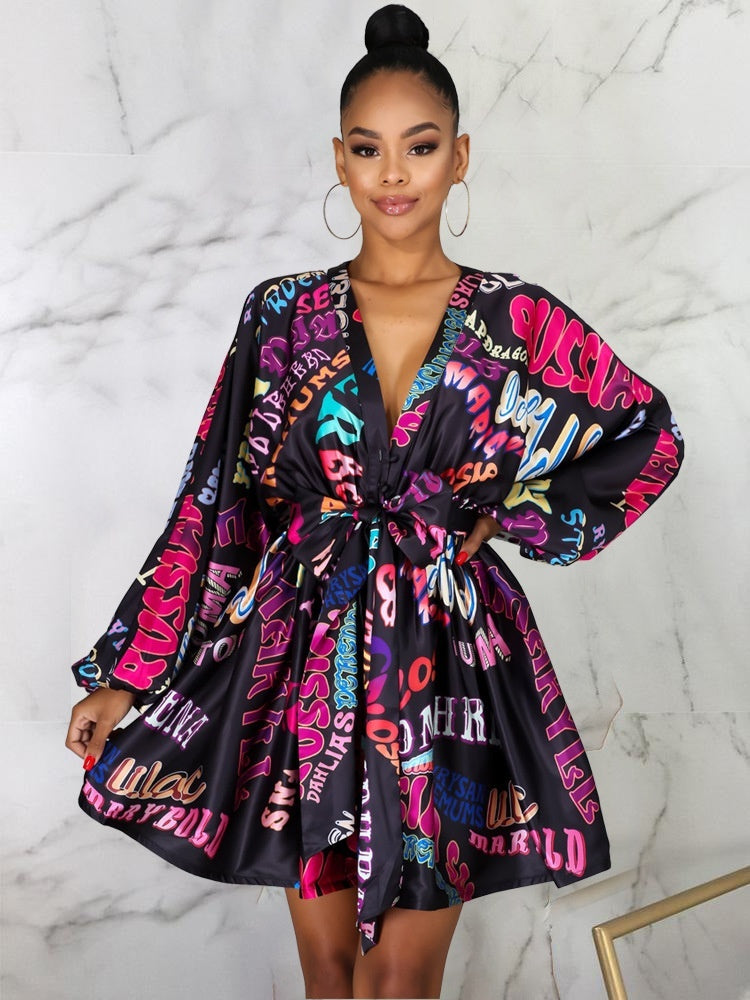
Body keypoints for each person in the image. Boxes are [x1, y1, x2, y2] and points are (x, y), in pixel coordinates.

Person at [64, 5, 684, 998]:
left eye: (420, 147)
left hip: (446, 663)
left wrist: (513, 513)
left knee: (397, 979)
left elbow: (647, 437)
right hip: (302, 657)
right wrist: (127, 675)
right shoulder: (282, 316)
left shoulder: (518, 319)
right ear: (340, 162)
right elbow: (217, 506)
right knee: (330, 973)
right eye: (368, 148)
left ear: (460, 158)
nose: (394, 174)